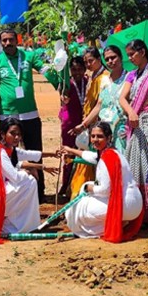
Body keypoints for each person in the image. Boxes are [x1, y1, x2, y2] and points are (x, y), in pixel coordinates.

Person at [0, 28, 57, 203]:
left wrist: (60, 81)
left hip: (30, 115)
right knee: (10, 155)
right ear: (0, 42)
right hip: (7, 116)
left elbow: (46, 70)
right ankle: (11, 194)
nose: (8, 43)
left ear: (17, 40)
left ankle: (39, 193)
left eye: (11, 39)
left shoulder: (28, 56)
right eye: (4, 40)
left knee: (35, 152)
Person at [61, 122, 143, 241]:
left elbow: (105, 190)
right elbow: (92, 156)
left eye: (100, 136)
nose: (95, 139)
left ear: (109, 138)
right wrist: (71, 151)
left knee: (79, 207)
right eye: (93, 136)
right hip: (135, 206)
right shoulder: (112, 153)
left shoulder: (107, 158)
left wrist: (88, 188)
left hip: (125, 206)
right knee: (84, 196)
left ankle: (105, 228)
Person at [119, 39, 148, 211]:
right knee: (134, 165)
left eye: (132, 54)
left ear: (142, 52)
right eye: (128, 55)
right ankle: (136, 207)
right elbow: (122, 97)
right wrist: (131, 112)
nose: (130, 58)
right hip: (135, 124)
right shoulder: (132, 74)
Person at [68, 47, 111, 198]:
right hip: (89, 124)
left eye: (91, 61)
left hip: (97, 127)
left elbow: (100, 105)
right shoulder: (92, 76)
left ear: (99, 59)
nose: (88, 64)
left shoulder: (105, 78)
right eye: (86, 61)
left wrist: (84, 124)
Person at [79, 46, 128, 153]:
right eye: (107, 59)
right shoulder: (105, 80)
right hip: (104, 132)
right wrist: (83, 125)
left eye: (113, 57)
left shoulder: (129, 79)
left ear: (120, 57)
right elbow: (99, 105)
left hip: (121, 130)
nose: (110, 61)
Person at [58, 56, 87, 197]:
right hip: (69, 124)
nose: (77, 73)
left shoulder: (89, 82)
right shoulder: (66, 84)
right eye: (74, 69)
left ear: (85, 69)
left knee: (84, 153)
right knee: (69, 154)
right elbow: (62, 98)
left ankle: (80, 183)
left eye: (80, 69)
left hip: (85, 124)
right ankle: (66, 183)